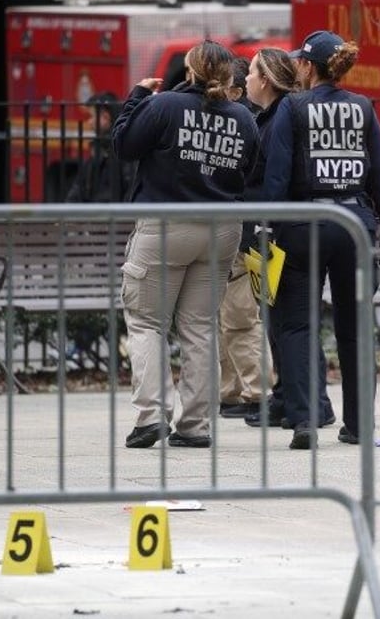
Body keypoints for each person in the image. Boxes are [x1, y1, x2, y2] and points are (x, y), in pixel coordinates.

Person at [112, 40, 260, 449]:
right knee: (199, 328)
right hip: (222, 230)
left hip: (166, 225)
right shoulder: (243, 118)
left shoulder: (164, 107)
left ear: (190, 71)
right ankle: (195, 425)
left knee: (147, 322)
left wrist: (139, 95)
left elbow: (124, 146)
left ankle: (149, 417)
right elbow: (249, 169)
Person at [262, 30, 380, 450]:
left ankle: (304, 421)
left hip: (305, 224)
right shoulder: (363, 108)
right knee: (355, 330)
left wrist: (269, 228)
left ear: (306, 66)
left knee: (298, 325)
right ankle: (359, 425)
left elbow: (278, 174)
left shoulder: (292, 105)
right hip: (355, 225)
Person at [237, 47, 336, 431]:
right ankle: (288, 396)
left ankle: (310, 402)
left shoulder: (283, 115)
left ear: (265, 80)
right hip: (271, 227)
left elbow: (273, 176)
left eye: (250, 72)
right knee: (279, 319)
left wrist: (266, 227)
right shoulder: (269, 115)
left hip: (276, 230)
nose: (244, 79)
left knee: (289, 320)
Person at [218, 56, 274, 420]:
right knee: (229, 315)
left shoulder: (244, 125)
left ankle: (257, 392)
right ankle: (234, 391)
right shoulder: (248, 122)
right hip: (242, 233)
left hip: (246, 235)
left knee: (241, 315)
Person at [66, 92, 135, 203]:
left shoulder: (120, 148)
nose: (89, 121)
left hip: (114, 216)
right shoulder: (99, 147)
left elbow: (129, 187)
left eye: (92, 116)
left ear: (105, 117)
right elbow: (80, 187)